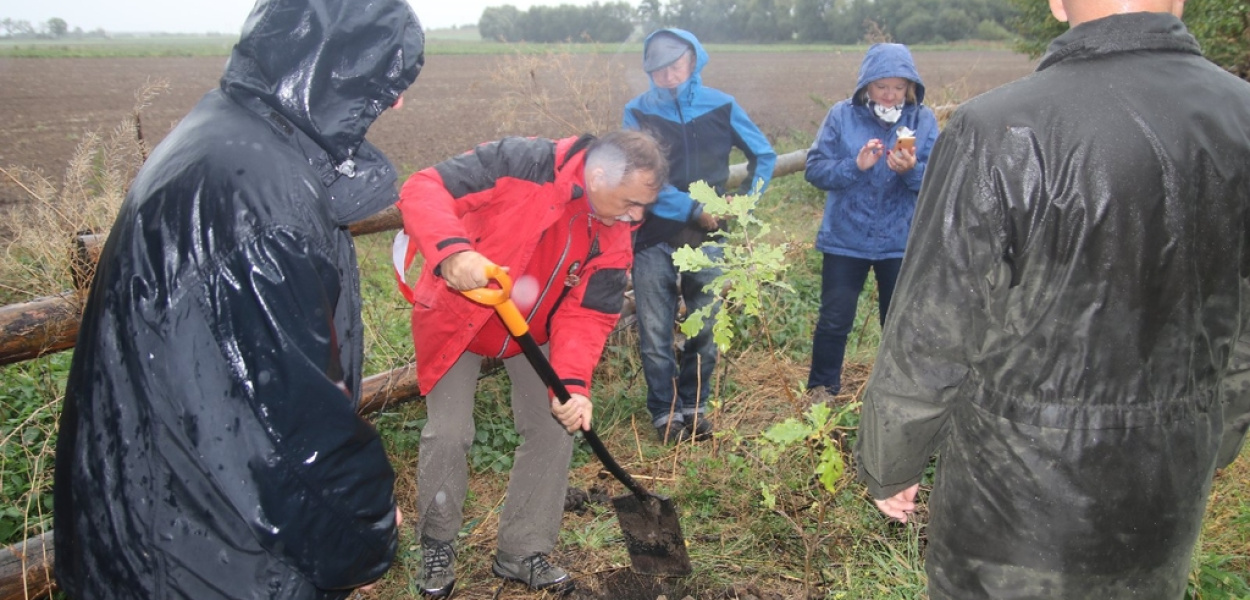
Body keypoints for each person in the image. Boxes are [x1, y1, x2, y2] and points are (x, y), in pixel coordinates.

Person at [855, 0, 1250, 597]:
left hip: (1010, 509)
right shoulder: (1242, 117)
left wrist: (890, 459)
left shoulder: (997, 129)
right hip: (1167, 487)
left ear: (1057, 4)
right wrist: (1216, 432)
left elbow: (934, 327)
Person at [51, 0, 424, 598]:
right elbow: (283, 433)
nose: (397, 100)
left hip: (161, 524)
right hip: (205, 558)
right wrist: (364, 521)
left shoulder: (227, 140)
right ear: (327, 64)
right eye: (382, 75)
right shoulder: (257, 205)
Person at [394, 131, 666, 597]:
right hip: (457, 315)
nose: (636, 216)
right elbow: (423, 187)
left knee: (554, 427)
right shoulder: (523, 162)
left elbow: (588, 313)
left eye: (644, 206)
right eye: (631, 201)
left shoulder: (616, 232)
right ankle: (437, 543)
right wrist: (452, 251)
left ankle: (522, 552)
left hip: (529, 334)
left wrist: (575, 383)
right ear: (598, 175)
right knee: (450, 431)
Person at [622, 28, 776, 444]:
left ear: (694, 61)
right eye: (659, 70)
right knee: (654, 331)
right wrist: (691, 209)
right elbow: (638, 174)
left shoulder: (722, 105)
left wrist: (744, 204)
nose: (669, 76)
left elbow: (763, 155)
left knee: (703, 327)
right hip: (652, 235)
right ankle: (663, 413)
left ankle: (694, 407)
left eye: (676, 66)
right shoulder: (636, 112)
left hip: (710, 237)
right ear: (648, 71)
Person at [804, 43, 938, 402]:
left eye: (898, 87)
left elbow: (939, 179)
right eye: (882, 86)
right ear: (866, 86)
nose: (890, 95)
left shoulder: (923, 121)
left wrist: (911, 172)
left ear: (911, 87)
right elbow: (814, 169)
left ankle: (897, 393)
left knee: (898, 323)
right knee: (835, 319)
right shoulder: (841, 116)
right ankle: (822, 389)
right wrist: (854, 166)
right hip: (846, 238)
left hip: (900, 239)